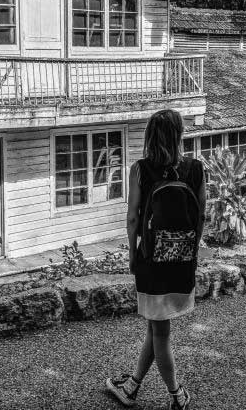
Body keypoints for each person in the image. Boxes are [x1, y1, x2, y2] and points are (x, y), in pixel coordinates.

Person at [106, 109, 206, 410]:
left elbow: (134, 218)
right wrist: (191, 251)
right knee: (156, 326)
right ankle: (132, 386)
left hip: (152, 259)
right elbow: (200, 215)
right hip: (181, 258)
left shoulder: (140, 169)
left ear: (150, 135)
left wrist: (133, 254)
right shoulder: (196, 168)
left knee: (160, 329)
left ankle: (176, 395)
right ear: (179, 135)